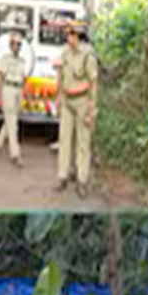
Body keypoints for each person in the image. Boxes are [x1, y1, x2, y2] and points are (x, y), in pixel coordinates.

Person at [54, 19, 98, 199]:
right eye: (67, 33)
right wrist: (57, 97)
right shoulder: (65, 52)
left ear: (79, 35)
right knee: (64, 139)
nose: (68, 36)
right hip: (66, 100)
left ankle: (82, 180)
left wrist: (92, 107)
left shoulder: (87, 54)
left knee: (83, 142)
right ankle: (62, 176)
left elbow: (94, 82)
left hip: (82, 101)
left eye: (71, 33)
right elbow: (60, 74)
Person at [0, 29, 27, 167]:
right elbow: (0, 78)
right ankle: (15, 154)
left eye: (19, 44)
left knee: (11, 120)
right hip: (8, 89)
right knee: (13, 124)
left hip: (18, 90)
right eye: (14, 44)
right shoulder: (5, 60)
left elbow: (24, 79)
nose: (17, 46)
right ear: (10, 45)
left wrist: (27, 97)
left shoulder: (23, 61)